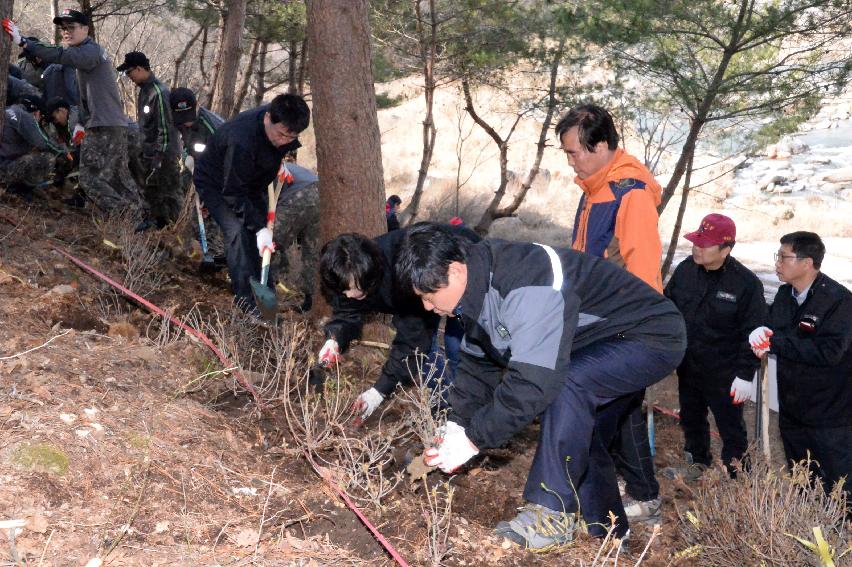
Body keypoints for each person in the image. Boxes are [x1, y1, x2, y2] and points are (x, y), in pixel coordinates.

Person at [396, 223, 685, 548]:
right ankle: (610, 536)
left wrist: (474, 438)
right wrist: (456, 425)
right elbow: (479, 364)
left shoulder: (525, 283)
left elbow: (533, 383)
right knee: (576, 426)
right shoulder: (476, 292)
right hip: (595, 341)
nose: (427, 307)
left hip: (648, 334)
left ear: (456, 271)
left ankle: (552, 514)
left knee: (566, 384)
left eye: (429, 296)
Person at [556, 103, 664, 524]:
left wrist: (637, 337)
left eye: (574, 152)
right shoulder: (594, 188)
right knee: (610, 409)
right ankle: (625, 481)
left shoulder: (630, 194)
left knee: (621, 411)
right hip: (592, 320)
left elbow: (643, 271)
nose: (571, 161)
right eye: (566, 153)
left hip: (622, 325)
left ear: (600, 145)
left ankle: (645, 496)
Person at [317, 224, 479, 420]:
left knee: (458, 346)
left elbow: (412, 341)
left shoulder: (400, 276)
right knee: (425, 352)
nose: (349, 295)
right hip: (421, 285)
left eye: (354, 289)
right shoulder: (346, 273)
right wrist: (334, 340)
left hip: (463, 266)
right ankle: (442, 403)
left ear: (369, 277)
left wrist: (378, 391)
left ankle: (468, 416)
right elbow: (346, 313)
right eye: (345, 291)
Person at [3, 10, 147, 219]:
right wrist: (80, 123)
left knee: (90, 180)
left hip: (104, 125)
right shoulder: (85, 57)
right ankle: (139, 220)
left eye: (71, 27)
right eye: (63, 28)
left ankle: (128, 218)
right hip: (104, 123)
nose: (66, 32)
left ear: (86, 29)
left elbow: (62, 55)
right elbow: (85, 97)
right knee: (118, 177)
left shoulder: (90, 52)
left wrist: (24, 42)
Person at [749, 232, 851, 501]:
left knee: (838, 483)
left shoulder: (838, 301)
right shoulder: (784, 295)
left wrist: (776, 342)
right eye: (778, 256)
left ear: (807, 263)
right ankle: (806, 531)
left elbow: (829, 352)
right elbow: (773, 329)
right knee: (802, 476)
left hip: (830, 412)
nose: (778, 263)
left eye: (784, 257)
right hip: (792, 407)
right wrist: (760, 333)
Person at [664, 214, 767, 479]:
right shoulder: (686, 270)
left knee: (731, 428)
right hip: (689, 365)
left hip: (726, 372)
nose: (697, 248)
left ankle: (738, 476)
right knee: (691, 418)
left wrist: (745, 375)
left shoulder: (745, 284)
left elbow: (754, 334)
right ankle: (697, 464)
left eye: (705, 244)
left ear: (726, 249)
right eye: (696, 241)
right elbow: (668, 308)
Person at [193, 94, 310, 313]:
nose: (284, 141)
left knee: (260, 239)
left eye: (290, 137)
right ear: (267, 118)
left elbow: (279, 143)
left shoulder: (283, 119)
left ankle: (265, 293)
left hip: (252, 180)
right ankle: (246, 302)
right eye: (281, 135)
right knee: (238, 231)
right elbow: (233, 193)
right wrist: (258, 228)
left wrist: (278, 164)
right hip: (218, 183)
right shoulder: (242, 140)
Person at [117, 51, 182, 228]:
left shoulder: (159, 93)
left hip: (163, 154)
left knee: (169, 194)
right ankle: (157, 224)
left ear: (139, 69)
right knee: (152, 192)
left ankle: (177, 229)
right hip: (148, 153)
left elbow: (166, 128)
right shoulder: (144, 91)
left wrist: (159, 157)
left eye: (129, 72)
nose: (128, 77)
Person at [170, 87, 227, 265]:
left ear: (195, 107)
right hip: (201, 168)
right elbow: (188, 143)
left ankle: (218, 255)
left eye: (188, 117)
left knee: (212, 211)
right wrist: (188, 157)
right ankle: (201, 248)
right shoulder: (181, 123)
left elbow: (225, 161)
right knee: (183, 191)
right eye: (181, 119)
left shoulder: (213, 126)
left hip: (224, 173)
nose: (185, 123)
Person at [0, 95, 70, 199]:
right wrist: (64, 153)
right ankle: (20, 190)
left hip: (3, 162)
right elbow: (42, 142)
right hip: (5, 169)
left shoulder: (8, 110)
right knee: (48, 158)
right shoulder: (24, 116)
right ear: (37, 112)